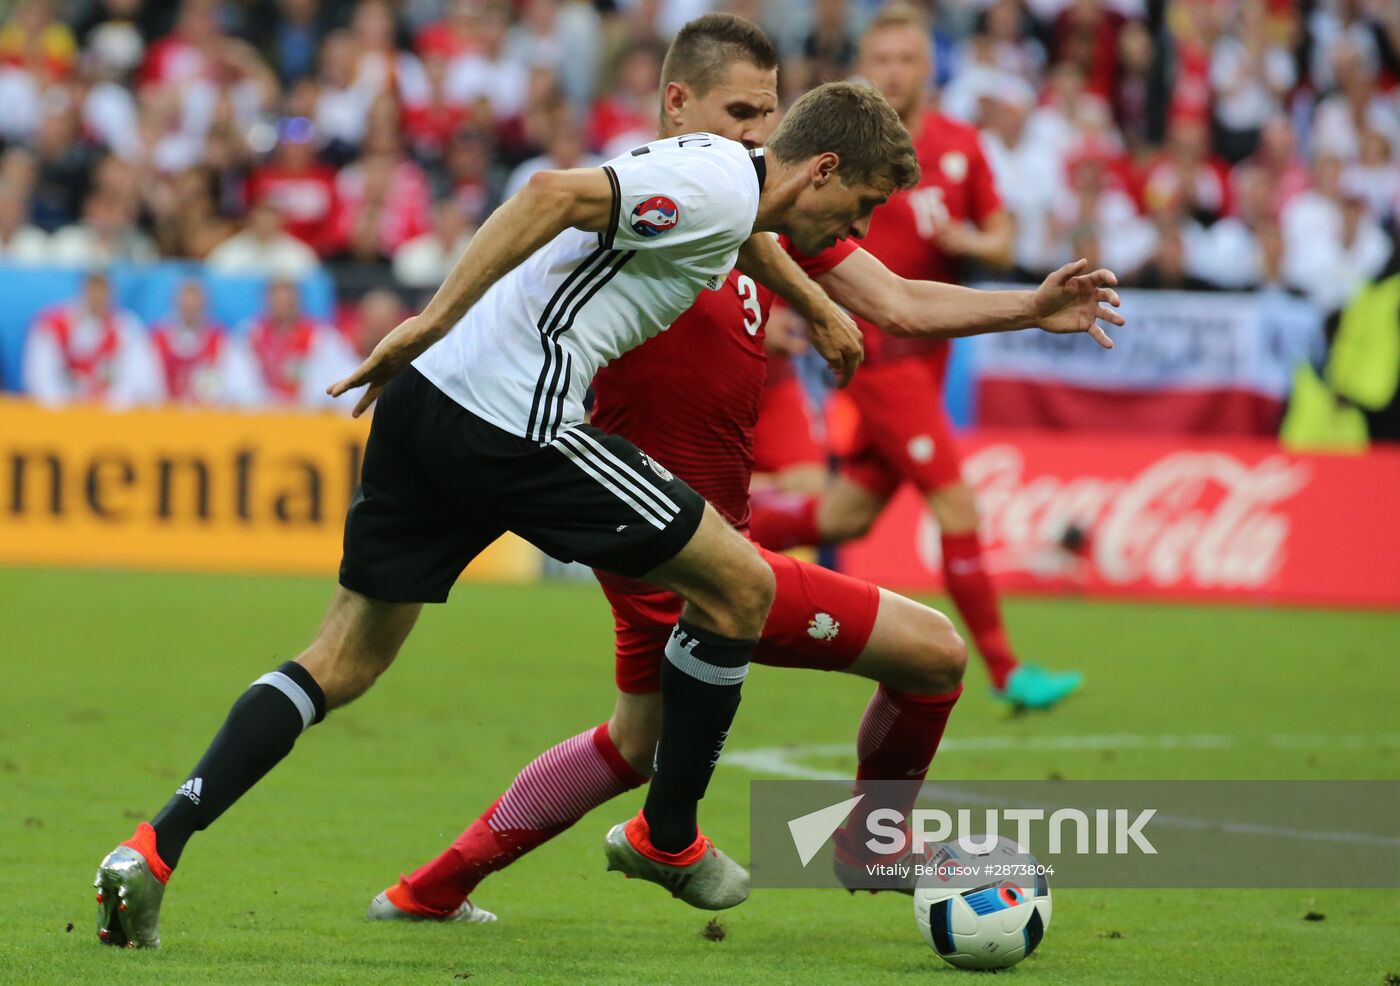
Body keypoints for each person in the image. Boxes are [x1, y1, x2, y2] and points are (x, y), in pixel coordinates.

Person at [91, 61, 919, 945]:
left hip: (426, 406)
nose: (859, 229)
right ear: (822, 170)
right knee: (740, 588)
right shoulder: (719, 180)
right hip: (517, 420)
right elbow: (549, 193)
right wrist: (431, 317)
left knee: (340, 659)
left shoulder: (722, 188)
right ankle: (668, 836)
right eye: (862, 205)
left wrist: (819, 306)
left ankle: (152, 847)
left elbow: (737, 236)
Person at [365, 14, 1122, 924]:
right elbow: (547, 213)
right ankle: (866, 846)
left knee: (634, 742)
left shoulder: (758, 217)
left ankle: (428, 891)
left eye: (766, 112)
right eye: (740, 109)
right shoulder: (656, 207)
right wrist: (438, 324)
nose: (754, 129)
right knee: (932, 654)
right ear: (678, 102)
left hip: (695, 534)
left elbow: (899, 300)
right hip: (666, 537)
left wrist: (1027, 307)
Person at [747, 4, 1085, 710]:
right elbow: (783, 231)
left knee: (844, 517)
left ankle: (718, 529)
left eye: (906, 59)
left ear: (929, 67)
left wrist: (967, 238)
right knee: (956, 503)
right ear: (864, 68)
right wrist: (788, 307)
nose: (894, 72)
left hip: (926, 351)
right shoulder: (837, 153)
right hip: (878, 354)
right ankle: (1005, 670)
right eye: (883, 60)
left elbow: (1000, 237)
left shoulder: (960, 146)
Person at [22, 268, 161, 407]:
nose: (98, 296)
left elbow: (138, 378)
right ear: (82, 289)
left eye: (103, 289)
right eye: (93, 288)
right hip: (60, 413)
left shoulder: (127, 328)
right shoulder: (52, 325)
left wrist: (107, 409)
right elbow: (39, 376)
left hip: (109, 415)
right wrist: (63, 410)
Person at [239, 278, 360, 409]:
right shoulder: (249, 336)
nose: (283, 308)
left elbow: (343, 380)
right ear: (267, 302)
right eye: (278, 302)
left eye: (288, 302)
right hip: (262, 414)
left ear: (299, 302)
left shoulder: (324, 338)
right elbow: (240, 384)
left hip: (310, 414)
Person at [148, 278, 261, 406]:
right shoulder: (157, 340)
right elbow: (144, 387)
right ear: (175, 302)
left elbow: (243, 388)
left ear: (206, 303)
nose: (190, 307)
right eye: (186, 302)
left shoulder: (222, 342)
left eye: (195, 302)